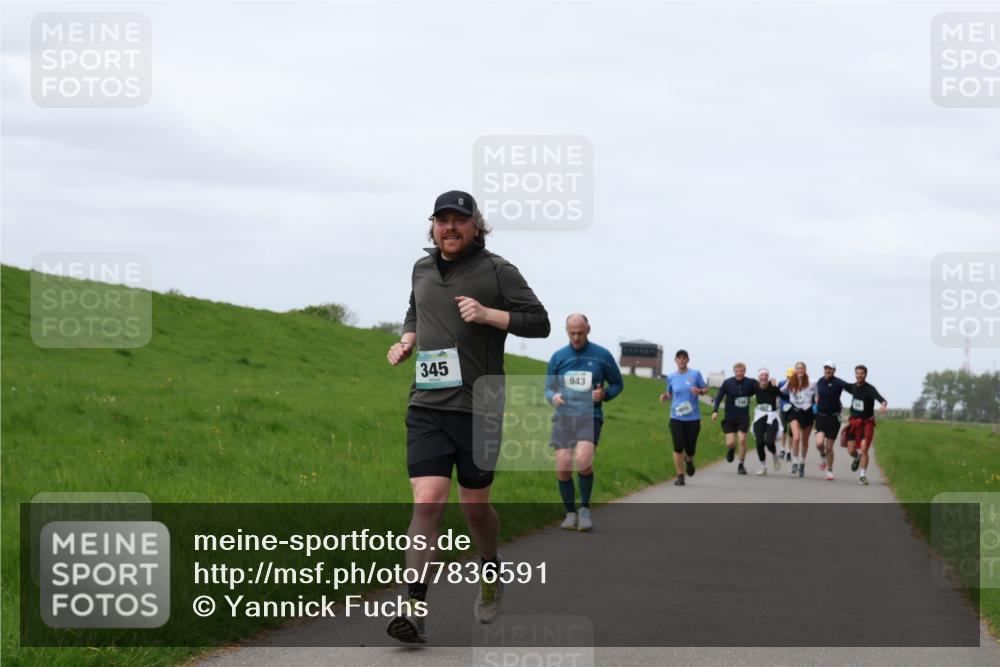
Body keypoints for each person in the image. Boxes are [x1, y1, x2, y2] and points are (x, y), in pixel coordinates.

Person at [385, 190, 550, 642]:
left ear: (477, 226)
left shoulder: (498, 270)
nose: (450, 227)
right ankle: (414, 607)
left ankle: (491, 569)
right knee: (428, 500)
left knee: (474, 509)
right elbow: (414, 310)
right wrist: (407, 340)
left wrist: (488, 314)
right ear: (433, 225)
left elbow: (539, 321)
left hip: (481, 408)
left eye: (460, 220)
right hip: (427, 404)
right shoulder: (421, 268)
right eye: (443, 220)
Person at [545, 313, 624, 532]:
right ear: (566, 331)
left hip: (590, 417)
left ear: (588, 329)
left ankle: (585, 510)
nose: (576, 338)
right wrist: (553, 397)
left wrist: (605, 395)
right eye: (572, 333)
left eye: (580, 333)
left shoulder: (602, 356)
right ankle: (570, 513)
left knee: (582, 460)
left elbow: (618, 383)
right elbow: (548, 388)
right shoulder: (558, 357)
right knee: (562, 466)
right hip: (563, 418)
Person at [660, 350, 709, 486]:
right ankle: (680, 476)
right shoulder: (671, 377)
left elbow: (706, 389)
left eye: (684, 358)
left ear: (688, 360)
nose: (681, 361)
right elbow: (669, 393)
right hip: (676, 417)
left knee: (690, 448)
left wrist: (699, 391)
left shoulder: (695, 374)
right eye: (679, 358)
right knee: (678, 446)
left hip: (693, 418)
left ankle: (689, 460)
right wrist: (665, 396)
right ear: (675, 360)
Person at [843, 365, 888, 486]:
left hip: (866, 423)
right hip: (854, 422)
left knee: (864, 449)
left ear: (865, 375)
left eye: (861, 373)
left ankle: (862, 475)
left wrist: (883, 405)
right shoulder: (852, 387)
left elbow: (881, 399)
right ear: (855, 374)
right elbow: (839, 385)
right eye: (857, 373)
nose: (859, 375)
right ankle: (856, 457)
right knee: (851, 450)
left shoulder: (870, 389)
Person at [712, 362, 757, 475]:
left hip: (743, 416)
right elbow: (719, 396)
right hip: (730, 417)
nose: (739, 373)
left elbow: (761, 389)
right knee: (730, 442)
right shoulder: (728, 383)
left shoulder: (750, 382)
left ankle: (741, 465)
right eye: (737, 371)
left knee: (742, 439)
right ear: (734, 372)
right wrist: (715, 411)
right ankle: (732, 449)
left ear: (744, 371)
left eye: (741, 371)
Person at [814, 361, 851, 481]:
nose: (827, 370)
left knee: (829, 447)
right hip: (820, 416)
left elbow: (851, 388)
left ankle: (829, 471)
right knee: (819, 443)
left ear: (834, 370)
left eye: (830, 369)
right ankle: (822, 455)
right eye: (826, 368)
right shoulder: (819, 381)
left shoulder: (838, 382)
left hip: (834, 418)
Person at [778, 361, 816, 478]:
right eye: (798, 368)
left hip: (807, 412)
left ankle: (802, 463)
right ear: (795, 370)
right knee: (796, 437)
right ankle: (794, 462)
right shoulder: (790, 382)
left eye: (802, 368)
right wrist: (771, 387)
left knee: (804, 441)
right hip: (794, 411)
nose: (800, 370)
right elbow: (780, 391)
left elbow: (818, 396)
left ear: (805, 370)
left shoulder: (812, 383)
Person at [750, 368, 784, 476]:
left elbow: (785, 396)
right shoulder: (755, 386)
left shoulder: (773, 387)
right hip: (760, 416)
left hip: (771, 417)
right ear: (758, 377)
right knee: (759, 442)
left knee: (769, 441)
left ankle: (775, 455)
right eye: (761, 375)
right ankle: (763, 466)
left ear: (768, 377)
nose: (764, 377)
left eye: (766, 375)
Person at [777, 368, 794, 460]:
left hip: (793, 409)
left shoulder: (797, 384)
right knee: (783, 429)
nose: (789, 378)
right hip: (783, 408)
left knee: (791, 431)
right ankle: (782, 449)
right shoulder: (781, 383)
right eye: (788, 376)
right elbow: (777, 393)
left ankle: (789, 451)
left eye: (791, 376)